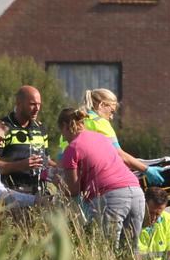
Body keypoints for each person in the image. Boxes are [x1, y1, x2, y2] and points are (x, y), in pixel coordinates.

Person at [54, 106, 145, 247]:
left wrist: (53, 178)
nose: (63, 137)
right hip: (136, 192)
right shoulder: (102, 138)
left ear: (65, 126)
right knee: (130, 252)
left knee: (107, 250)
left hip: (111, 198)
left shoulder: (72, 149)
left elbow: (73, 190)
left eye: (62, 132)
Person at [81, 87, 164, 184]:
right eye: (111, 111)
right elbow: (119, 156)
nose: (111, 117)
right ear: (102, 105)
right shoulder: (100, 122)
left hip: (73, 183)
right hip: (95, 182)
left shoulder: (75, 123)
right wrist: (147, 170)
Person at [0, 85, 47, 191]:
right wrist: (20, 165)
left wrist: (61, 167)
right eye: (32, 104)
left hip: (39, 195)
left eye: (39, 104)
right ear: (18, 103)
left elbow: (46, 159)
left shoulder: (40, 128)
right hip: (11, 196)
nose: (37, 109)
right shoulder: (2, 128)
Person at [136, 188, 170, 260]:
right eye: (151, 212)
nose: (154, 218)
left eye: (158, 214)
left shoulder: (168, 220)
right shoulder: (132, 221)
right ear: (143, 204)